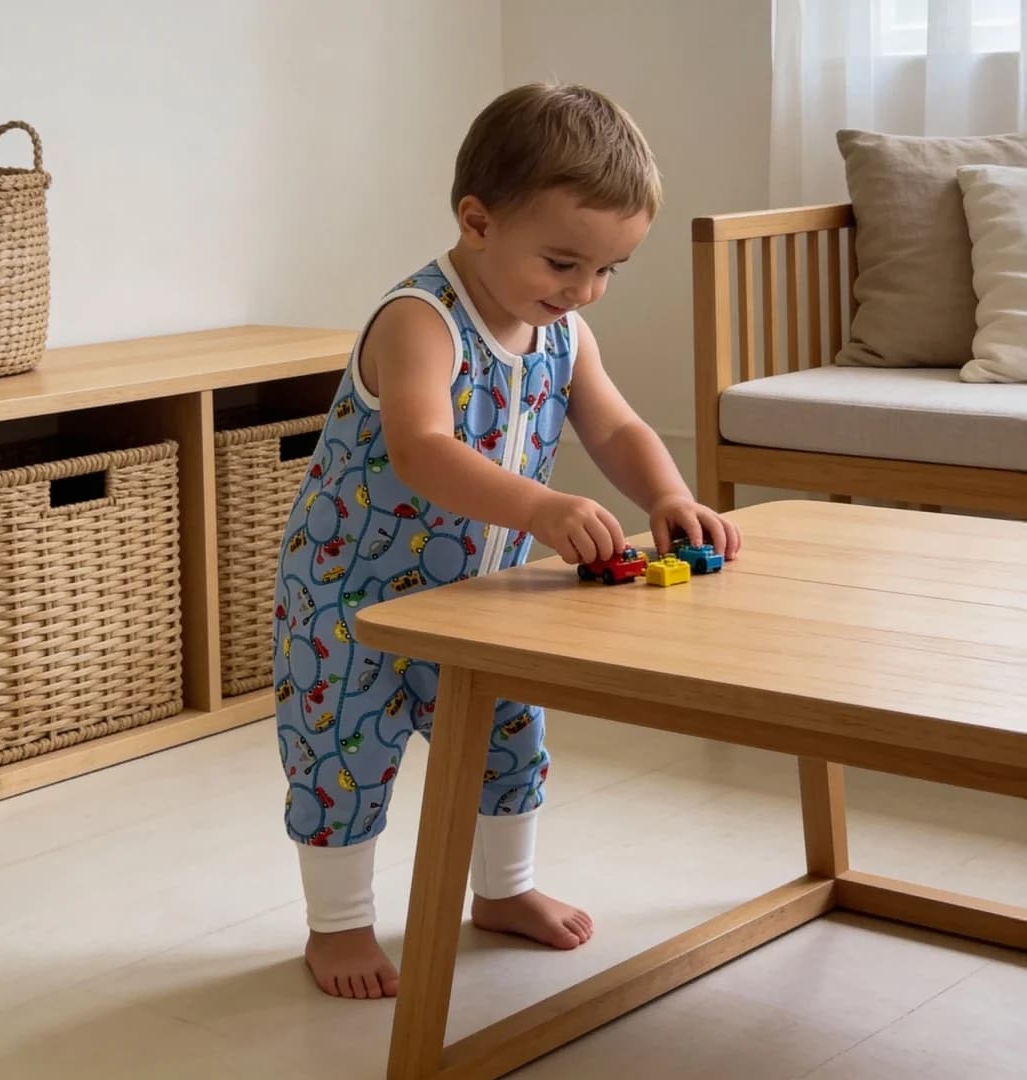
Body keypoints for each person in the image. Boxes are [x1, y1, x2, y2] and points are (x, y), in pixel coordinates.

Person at [272, 82, 741, 1001]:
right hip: (353, 604)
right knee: (342, 760)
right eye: (565, 263)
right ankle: (338, 928)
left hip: (471, 603)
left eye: (609, 271)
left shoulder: (565, 332)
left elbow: (615, 428)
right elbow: (421, 448)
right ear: (477, 222)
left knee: (509, 743)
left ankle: (504, 891)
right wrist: (537, 508)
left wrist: (669, 493)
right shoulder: (420, 321)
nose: (584, 291)